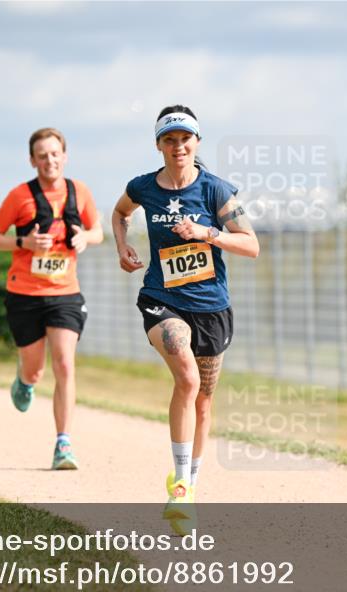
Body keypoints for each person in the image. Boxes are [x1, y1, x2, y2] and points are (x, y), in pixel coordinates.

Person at [111, 105, 259, 524]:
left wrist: (207, 233)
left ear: (196, 143)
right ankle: (179, 484)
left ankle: (189, 487)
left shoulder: (215, 191)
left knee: (205, 399)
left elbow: (251, 244)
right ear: (159, 145)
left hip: (212, 306)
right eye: (169, 140)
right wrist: (122, 246)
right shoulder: (143, 188)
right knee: (188, 379)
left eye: (185, 139)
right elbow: (120, 213)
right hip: (162, 299)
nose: (178, 147)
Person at [0, 128, 103, 470]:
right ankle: (24, 380)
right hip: (24, 294)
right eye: (42, 155)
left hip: (65, 293)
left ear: (64, 156)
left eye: (55, 154)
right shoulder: (19, 196)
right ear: (32, 160)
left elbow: (97, 230)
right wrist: (24, 244)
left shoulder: (79, 192)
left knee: (65, 364)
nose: (49, 160)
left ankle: (63, 444)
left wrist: (85, 238)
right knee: (36, 370)